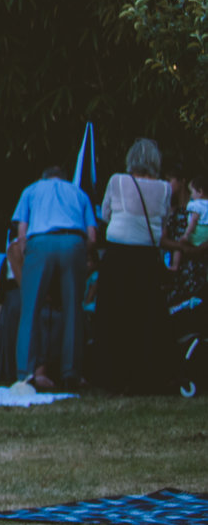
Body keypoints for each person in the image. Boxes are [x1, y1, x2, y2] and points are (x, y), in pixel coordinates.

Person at [92, 138, 175, 393]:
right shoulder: (164, 188)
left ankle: (111, 377)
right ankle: (145, 377)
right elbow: (165, 218)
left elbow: (105, 214)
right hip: (147, 259)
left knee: (114, 317)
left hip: (118, 256)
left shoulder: (117, 181)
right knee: (145, 318)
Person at [10, 163, 99, 391]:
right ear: (64, 178)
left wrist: (29, 257)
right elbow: (92, 237)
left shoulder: (31, 190)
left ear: (44, 177)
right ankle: (71, 373)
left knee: (30, 310)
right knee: (73, 310)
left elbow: (21, 233)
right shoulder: (79, 193)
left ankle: (26, 373)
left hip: (40, 241)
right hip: (73, 242)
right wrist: (79, 253)